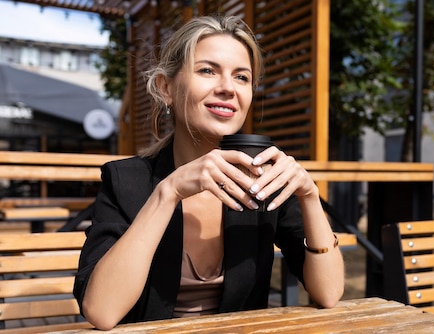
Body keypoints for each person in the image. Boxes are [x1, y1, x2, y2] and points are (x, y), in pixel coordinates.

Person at [73, 15, 344, 330]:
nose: (228, 88)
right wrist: (167, 193)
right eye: (207, 70)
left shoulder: (263, 180)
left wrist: (310, 195)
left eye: (242, 77)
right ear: (166, 88)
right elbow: (101, 312)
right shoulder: (126, 181)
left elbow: (329, 293)